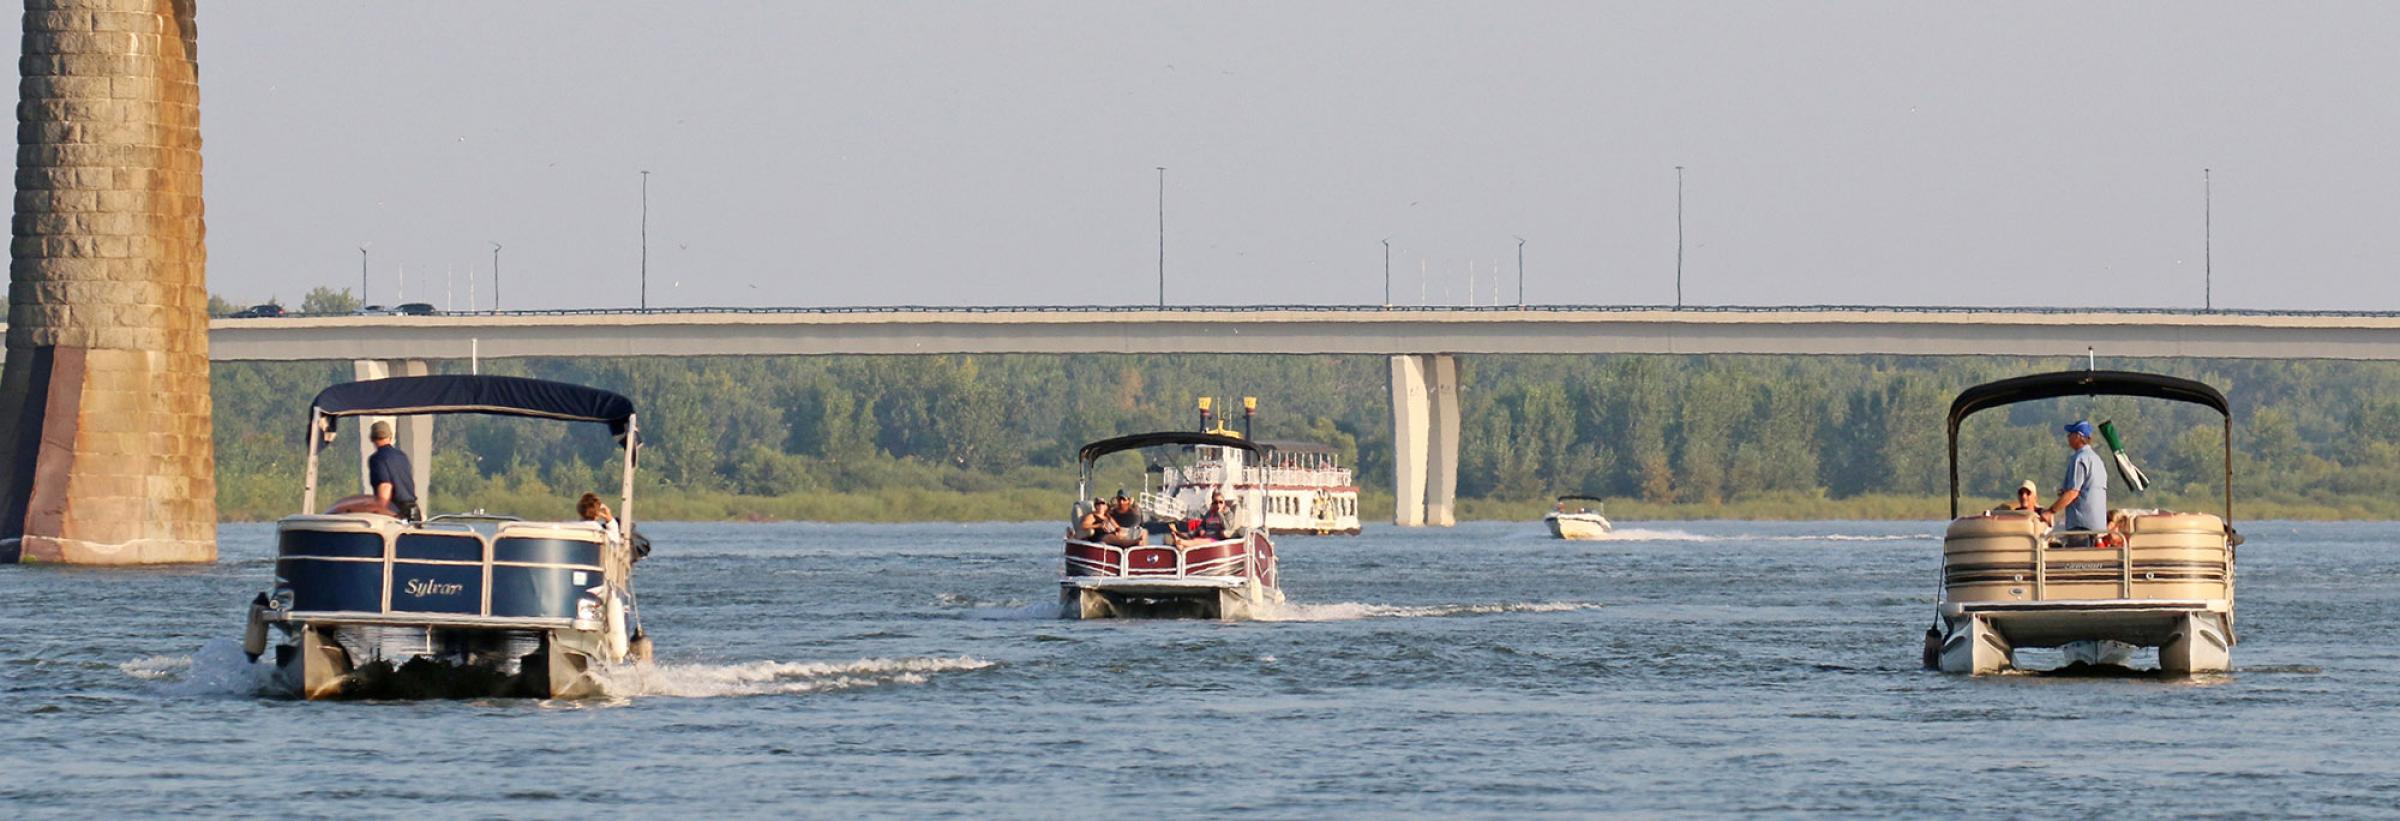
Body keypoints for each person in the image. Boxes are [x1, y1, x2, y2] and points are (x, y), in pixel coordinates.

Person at [2047, 420, 2110, 538]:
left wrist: (2050, 512)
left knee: (2077, 555)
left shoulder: (2080, 458)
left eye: (2070, 434)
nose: (2068, 437)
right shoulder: (2097, 459)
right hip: (2098, 526)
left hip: (2082, 526)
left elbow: (2073, 492)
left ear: (2078, 436)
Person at [365, 420, 420, 521]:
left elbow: (385, 486)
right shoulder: (402, 456)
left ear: (372, 438)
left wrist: (379, 509)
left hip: (397, 513)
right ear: (390, 437)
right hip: (414, 511)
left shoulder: (377, 459)